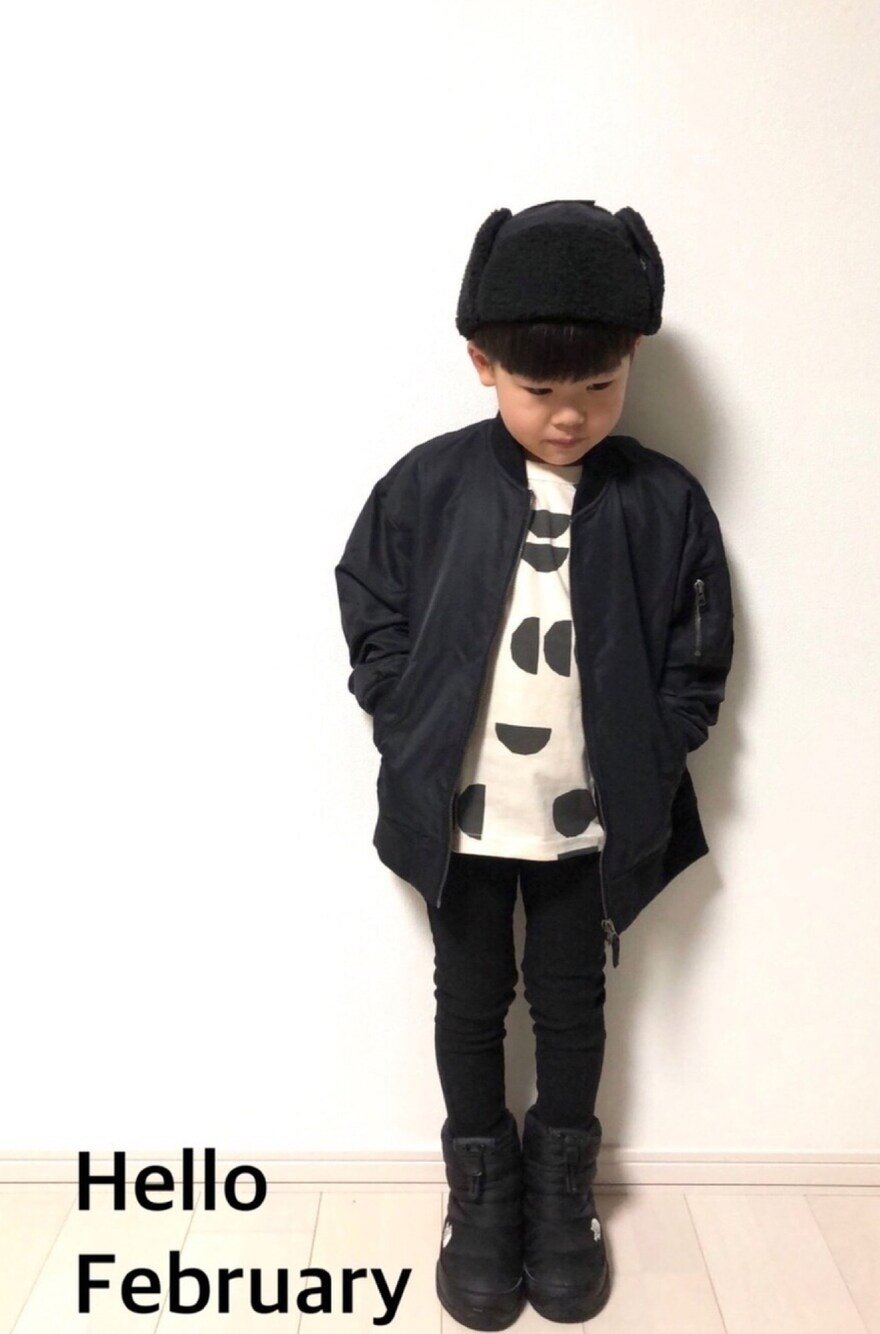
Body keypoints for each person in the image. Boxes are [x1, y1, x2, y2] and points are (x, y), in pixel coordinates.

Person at [335, 199, 735, 1329]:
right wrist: (403, 714)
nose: (569, 415)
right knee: (467, 999)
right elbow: (369, 605)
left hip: (587, 819)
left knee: (571, 1002)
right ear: (482, 364)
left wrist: (658, 743)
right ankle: (480, 1188)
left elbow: (697, 651)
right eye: (538, 387)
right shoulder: (427, 485)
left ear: (633, 358)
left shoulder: (663, 500)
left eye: (598, 386)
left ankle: (562, 1191)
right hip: (460, 814)